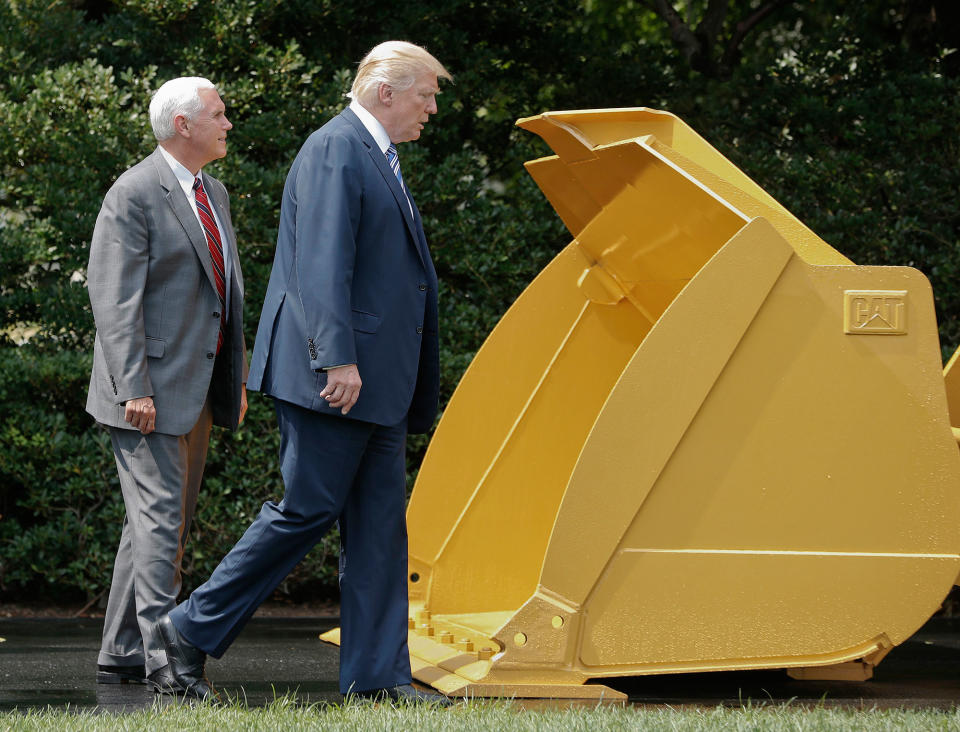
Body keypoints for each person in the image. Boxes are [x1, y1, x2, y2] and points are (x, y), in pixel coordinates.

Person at [154, 40, 453, 704]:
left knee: (378, 530)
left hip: (377, 384)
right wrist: (336, 357)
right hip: (337, 378)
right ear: (385, 92)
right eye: (425, 94)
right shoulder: (336, 147)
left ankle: (377, 682)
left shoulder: (374, 153)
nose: (433, 107)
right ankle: (187, 631)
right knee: (307, 510)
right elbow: (321, 262)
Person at [86, 77, 247, 694]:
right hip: (146, 390)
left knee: (159, 523)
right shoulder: (132, 192)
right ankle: (165, 663)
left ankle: (121, 651)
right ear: (184, 125)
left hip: (198, 388)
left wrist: (231, 378)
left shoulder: (215, 193)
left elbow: (224, 295)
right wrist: (134, 389)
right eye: (218, 113)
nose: (227, 122)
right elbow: (113, 298)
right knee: (158, 522)